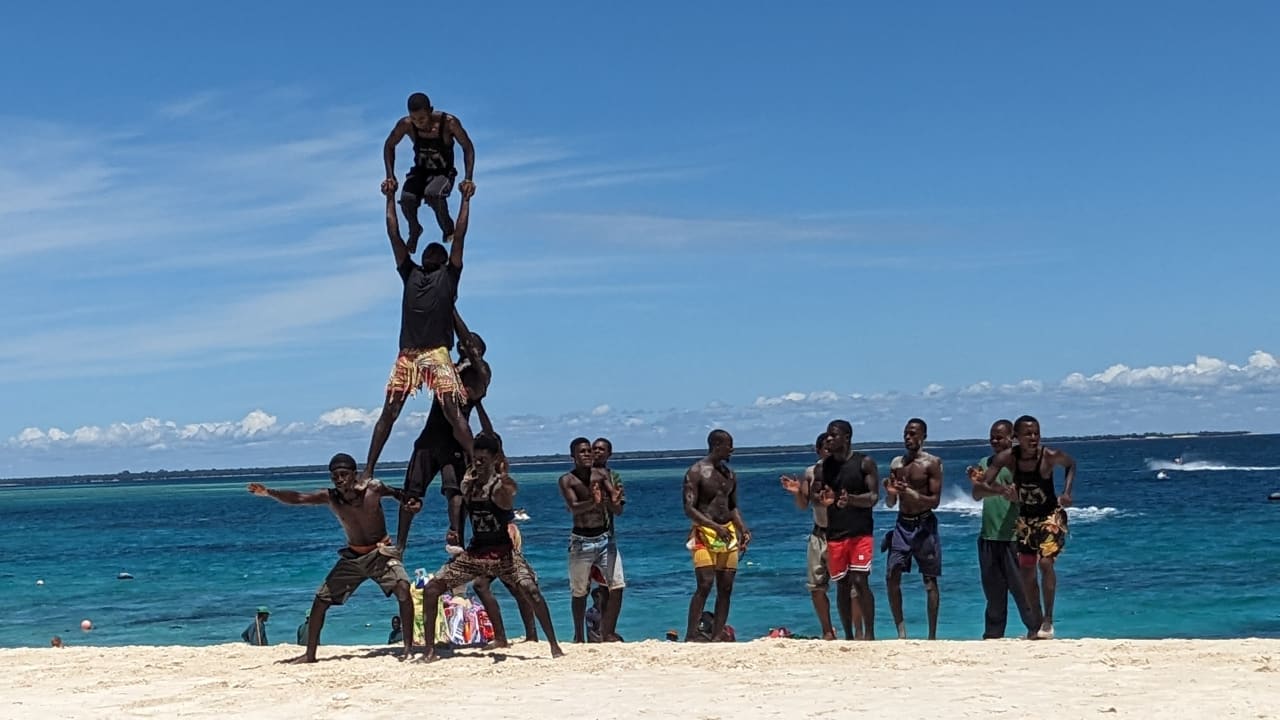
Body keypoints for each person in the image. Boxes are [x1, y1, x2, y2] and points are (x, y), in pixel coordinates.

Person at [247, 453, 421, 662]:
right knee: (321, 600)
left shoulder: (374, 488)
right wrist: (268, 492)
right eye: (334, 476)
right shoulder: (330, 497)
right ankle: (310, 654)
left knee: (403, 588)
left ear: (354, 474)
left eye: (344, 474)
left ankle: (408, 648)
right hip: (353, 558)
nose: (339, 479)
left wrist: (411, 502)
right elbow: (298, 498)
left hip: (380, 553)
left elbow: (399, 495)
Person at [361, 187, 473, 485]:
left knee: (451, 410)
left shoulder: (449, 276)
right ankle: (368, 469)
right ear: (421, 257)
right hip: (408, 354)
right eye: (428, 250)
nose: (433, 251)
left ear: (444, 259)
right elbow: (394, 235)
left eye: (438, 251)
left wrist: (465, 199)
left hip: (437, 352)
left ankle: (475, 463)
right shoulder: (409, 273)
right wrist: (389, 198)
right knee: (390, 410)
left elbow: (460, 237)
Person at [419, 433, 564, 661]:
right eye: (475, 459)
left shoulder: (500, 486)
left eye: (483, 460)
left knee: (530, 589)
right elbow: (461, 505)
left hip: (503, 554)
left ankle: (554, 645)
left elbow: (508, 492)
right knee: (431, 589)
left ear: (494, 459)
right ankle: (429, 651)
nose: (478, 464)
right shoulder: (468, 484)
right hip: (475, 553)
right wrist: (455, 530)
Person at [397, 311, 492, 554]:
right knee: (411, 493)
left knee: (456, 491)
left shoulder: (480, 370)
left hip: (454, 439)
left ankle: (457, 541)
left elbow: (469, 356)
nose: (464, 344)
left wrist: (450, 311)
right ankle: (400, 546)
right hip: (431, 436)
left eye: (469, 343)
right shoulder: (450, 367)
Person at [978, 415, 1076, 639]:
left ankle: (1048, 619)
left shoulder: (1049, 456)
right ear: (1016, 437)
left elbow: (1071, 464)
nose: (1033, 438)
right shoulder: (1008, 458)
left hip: (1050, 517)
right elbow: (984, 483)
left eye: (1036, 433)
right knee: (1027, 573)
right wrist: (1000, 490)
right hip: (1025, 520)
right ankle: (1037, 624)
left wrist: (1067, 492)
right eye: (1028, 434)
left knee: (1045, 563)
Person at [967, 419, 1040, 640]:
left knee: (1022, 589)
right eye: (992, 437)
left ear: (1012, 438)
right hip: (989, 537)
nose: (994, 441)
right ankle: (993, 635)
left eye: (999, 437)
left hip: (1014, 538)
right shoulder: (985, 463)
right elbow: (977, 494)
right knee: (993, 593)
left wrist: (1012, 495)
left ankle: (1036, 629)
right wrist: (999, 490)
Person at [383, 92, 476, 252]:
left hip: (443, 172)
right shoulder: (406, 125)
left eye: (422, 119)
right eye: (414, 119)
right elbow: (389, 145)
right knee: (407, 199)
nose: (418, 123)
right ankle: (414, 230)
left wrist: (468, 179)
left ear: (430, 111)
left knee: (433, 194)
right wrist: (390, 176)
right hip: (420, 171)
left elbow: (467, 147)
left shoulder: (448, 123)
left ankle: (448, 229)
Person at [812, 420, 880, 640]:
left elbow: (873, 497)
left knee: (860, 581)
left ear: (847, 437)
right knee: (842, 584)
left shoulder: (864, 463)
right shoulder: (823, 467)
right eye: (828, 435)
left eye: (834, 435)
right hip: (836, 534)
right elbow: (815, 494)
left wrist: (850, 500)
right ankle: (849, 636)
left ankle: (869, 634)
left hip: (860, 532)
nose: (829, 439)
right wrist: (822, 499)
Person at [683, 429, 752, 642]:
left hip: (727, 533)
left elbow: (732, 506)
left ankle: (716, 636)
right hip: (705, 533)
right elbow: (689, 508)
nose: (732, 450)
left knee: (726, 587)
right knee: (705, 584)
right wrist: (714, 526)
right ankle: (691, 635)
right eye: (728, 445)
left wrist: (743, 529)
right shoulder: (696, 472)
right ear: (717, 445)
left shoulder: (729, 474)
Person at [780, 432, 847, 639]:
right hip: (819, 533)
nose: (829, 451)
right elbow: (803, 505)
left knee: (848, 586)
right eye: (825, 448)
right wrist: (797, 492)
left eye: (832, 447)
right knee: (816, 587)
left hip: (841, 533)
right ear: (818, 451)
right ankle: (827, 630)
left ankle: (854, 631)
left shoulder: (844, 470)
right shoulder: (811, 472)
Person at [559, 437, 626, 643]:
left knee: (617, 584)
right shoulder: (567, 480)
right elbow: (573, 507)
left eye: (589, 451)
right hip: (581, 540)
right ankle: (579, 637)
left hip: (604, 538)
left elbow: (616, 506)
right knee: (579, 592)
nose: (588, 454)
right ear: (573, 456)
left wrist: (614, 500)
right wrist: (593, 501)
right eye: (583, 451)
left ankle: (607, 632)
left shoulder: (601, 475)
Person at [884, 418, 943, 639]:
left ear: (923, 437)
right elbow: (891, 502)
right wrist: (891, 493)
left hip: (924, 523)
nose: (908, 438)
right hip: (903, 523)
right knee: (892, 574)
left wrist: (909, 492)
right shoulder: (897, 464)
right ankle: (901, 632)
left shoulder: (932, 463)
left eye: (913, 434)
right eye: (906, 434)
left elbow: (935, 501)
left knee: (929, 579)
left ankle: (932, 636)